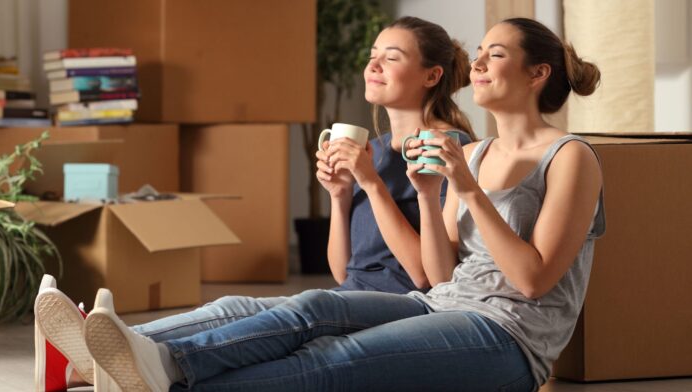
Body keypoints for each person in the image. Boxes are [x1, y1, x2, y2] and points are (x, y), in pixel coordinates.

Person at [81, 17, 606, 392]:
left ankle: (166, 375)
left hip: (510, 339)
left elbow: (534, 281)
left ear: (537, 74)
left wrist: (464, 189)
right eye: (482, 52)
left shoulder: (570, 157)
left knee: (334, 360)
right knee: (316, 306)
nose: (480, 62)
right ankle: (162, 363)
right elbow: (440, 278)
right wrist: (426, 195)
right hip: (440, 305)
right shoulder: (476, 151)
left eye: (497, 54)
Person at [33, 16, 475, 390]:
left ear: (431, 75)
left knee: (301, 310)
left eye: (391, 58)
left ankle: (156, 363)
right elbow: (346, 272)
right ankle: (85, 351)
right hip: (352, 294)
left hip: (407, 308)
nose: (373, 65)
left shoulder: (446, 147)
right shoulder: (373, 150)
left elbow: (425, 277)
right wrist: (340, 198)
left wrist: (371, 184)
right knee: (232, 307)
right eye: (373, 54)